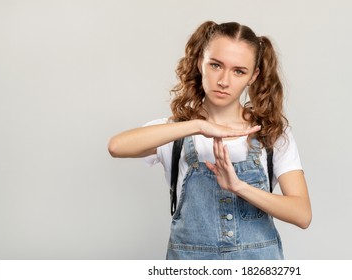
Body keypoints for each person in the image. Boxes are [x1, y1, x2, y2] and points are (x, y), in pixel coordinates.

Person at [108, 21, 312, 260]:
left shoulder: (271, 133)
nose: (224, 81)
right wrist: (198, 126)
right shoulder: (176, 133)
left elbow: (302, 214)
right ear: (199, 63)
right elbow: (116, 147)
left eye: (239, 71)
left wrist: (239, 187)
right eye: (216, 65)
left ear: (253, 76)